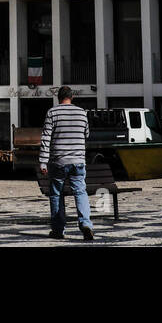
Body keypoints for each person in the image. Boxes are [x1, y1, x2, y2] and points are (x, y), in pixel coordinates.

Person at [39, 86, 94, 241]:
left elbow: (45, 139)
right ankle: (86, 224)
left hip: (59, 161)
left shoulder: (52, 113)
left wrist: (43, 162)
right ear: (72, 97)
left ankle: (58, 229)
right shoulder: (82, 113)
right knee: (80, 192)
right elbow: (86, 134)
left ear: (58, 97)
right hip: (78, 161)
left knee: (56, 194)